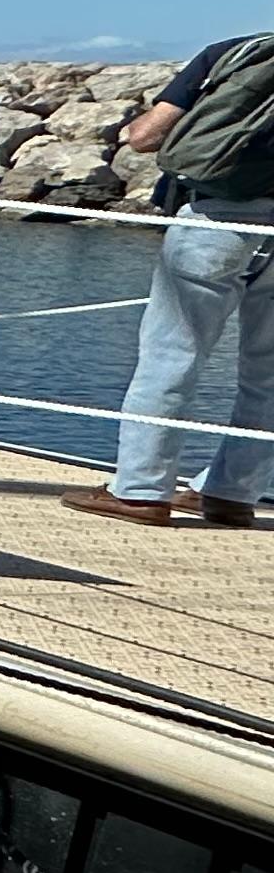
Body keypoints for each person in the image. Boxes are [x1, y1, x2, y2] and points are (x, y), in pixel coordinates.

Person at [70, 32, 274, 528]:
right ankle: (232, 494)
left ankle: (139, 490)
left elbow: (146, 137)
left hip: (217, 219)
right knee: (269, 374)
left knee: (172, 355)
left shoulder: (236, 51)